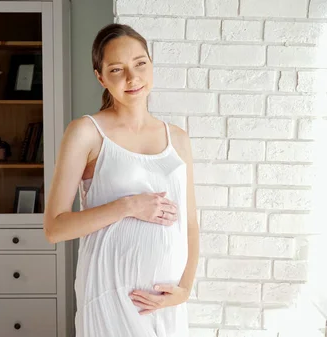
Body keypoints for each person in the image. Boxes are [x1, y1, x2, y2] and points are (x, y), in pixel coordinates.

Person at [43, 23, 200, 337]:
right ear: (101, 77)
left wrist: (184, 289)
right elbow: (55, 228)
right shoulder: (86, 132)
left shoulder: (178, 139)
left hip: (165, 304)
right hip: (109, 298)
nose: (132, 78)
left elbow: (191, 225)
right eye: (117, 69)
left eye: (140, 63)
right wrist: (128, 206)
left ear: (151, 64)